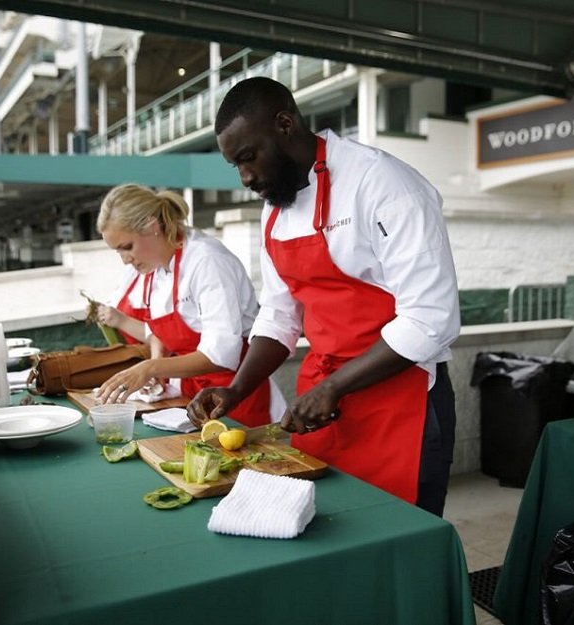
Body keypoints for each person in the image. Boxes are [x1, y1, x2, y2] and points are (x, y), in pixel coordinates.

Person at [187, 77, 461, 516]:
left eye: (248, 157)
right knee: (325, 531)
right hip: (323, 401)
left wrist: (334, 386)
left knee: (397, 541)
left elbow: (431, 318)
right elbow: (279, 314)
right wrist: (237, 390)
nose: (246, 177)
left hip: (401, 400)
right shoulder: (275, 207)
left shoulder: (384, 184)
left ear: (284, 124)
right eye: (235, 166)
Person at [94, 183, 285, 427]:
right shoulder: (157, 264)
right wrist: (155, 369)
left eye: (127, 247)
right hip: (190, 397)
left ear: (152, 227)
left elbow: (220, 355)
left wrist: (151, 368)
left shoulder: (207, 261)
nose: (124, 260)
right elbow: (159, 332)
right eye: (117, 251)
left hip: (233, 397)